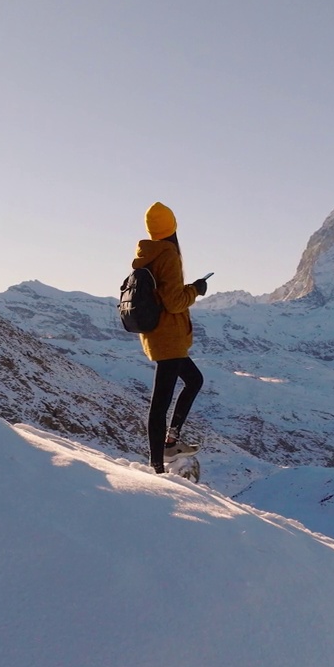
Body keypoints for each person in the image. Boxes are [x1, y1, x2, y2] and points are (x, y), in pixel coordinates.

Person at [133, 202, 207, 474]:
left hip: (157, 335)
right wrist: (196, 290)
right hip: (169, 337)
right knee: (160, 404)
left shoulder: (147, 254)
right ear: (172, 227)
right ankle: (158, 464)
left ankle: (171, 440)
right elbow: (175, 302)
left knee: (193, 380)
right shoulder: (169, 255)